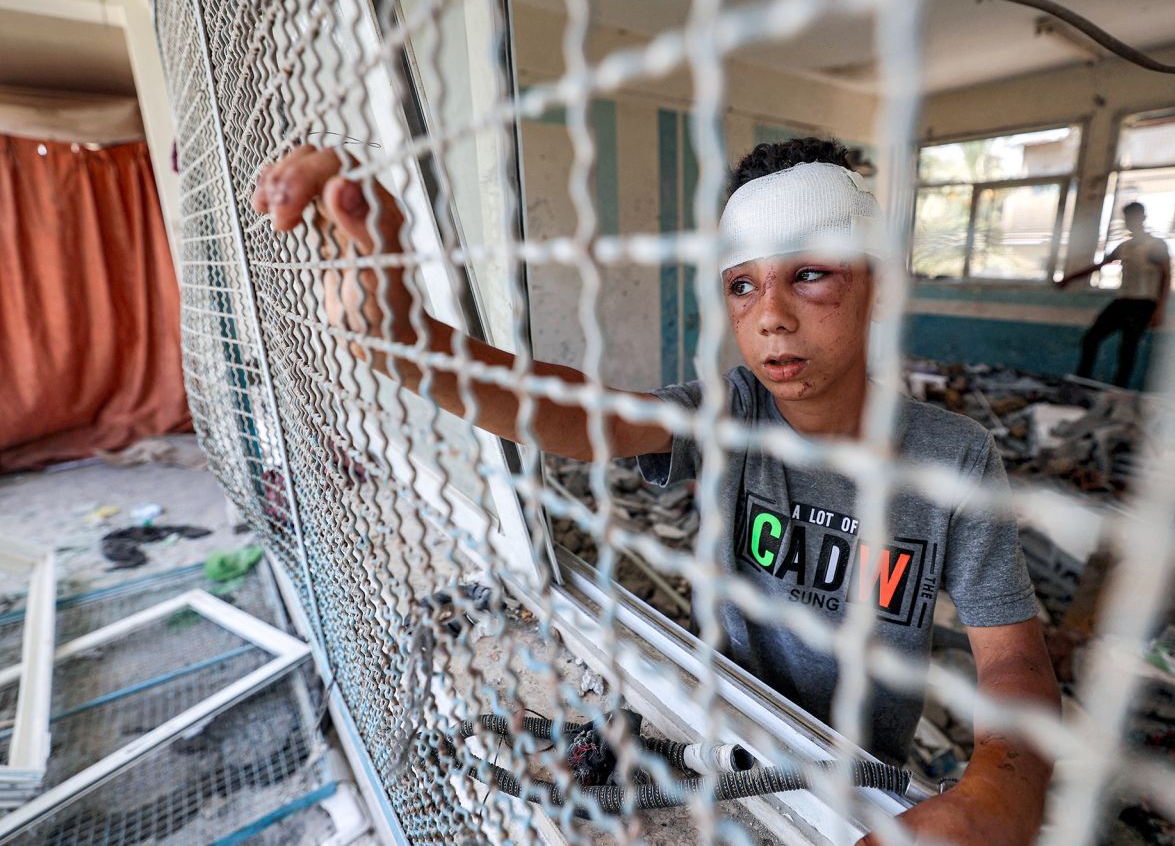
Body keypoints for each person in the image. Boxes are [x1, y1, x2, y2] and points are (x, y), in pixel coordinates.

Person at [253, 137, 1059, 845]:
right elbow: (581, 413)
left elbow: (1013, 655)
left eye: (809, 276)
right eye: (743, 285)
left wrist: (998, 791)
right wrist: (406, 339)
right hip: (717, 735)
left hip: (851, 783)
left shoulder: (953, 457)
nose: (770, 315)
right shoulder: (733, 412)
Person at [1057, 201, 1172, 388]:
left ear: (1142, 218)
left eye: (1134, 218)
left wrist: (1160, 310)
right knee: (1091, 338)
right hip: (1122, 301)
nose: (1130, 222)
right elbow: (1100, 265)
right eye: (1127, 219)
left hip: (1143, 304)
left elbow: (1167, 276)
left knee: (1127, 348)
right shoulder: (1124, 246)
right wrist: (1069, 278)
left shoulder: (1156, 246)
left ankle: (1118, 390)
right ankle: (1082, 381)